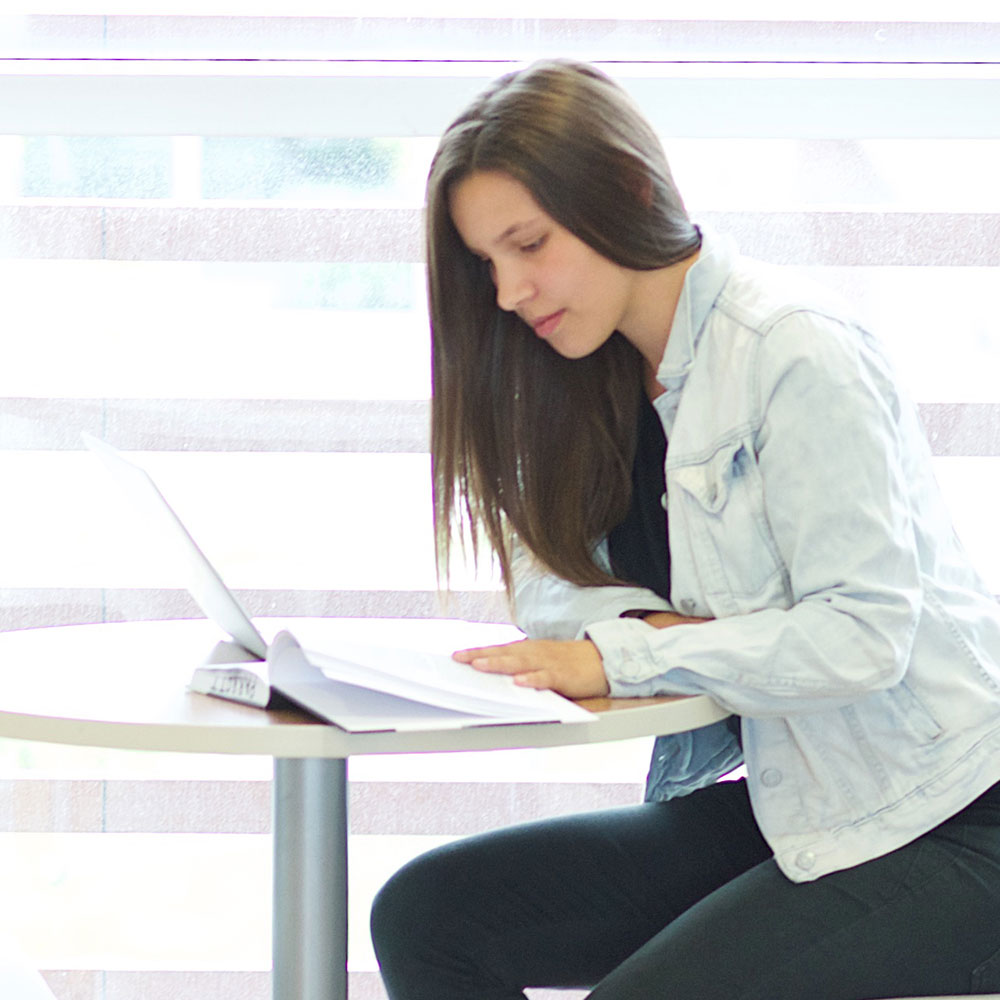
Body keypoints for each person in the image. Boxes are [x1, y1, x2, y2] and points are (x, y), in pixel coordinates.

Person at [370, 59, 1000, 999]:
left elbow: (863, 640)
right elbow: (544, 574)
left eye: (529, 244)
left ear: (626, 188)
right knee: (428, 915)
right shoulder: (594, 370)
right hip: (808, 794)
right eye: (487, 263)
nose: (507, 292)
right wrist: (651, 632)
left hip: (954, 814)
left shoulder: (794, 351)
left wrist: (627, 657)